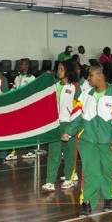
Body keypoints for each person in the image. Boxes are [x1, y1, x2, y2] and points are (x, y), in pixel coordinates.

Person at [62, 63, 112, 216]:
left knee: (106, 171)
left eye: (90, 75)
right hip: (87, 141)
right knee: (90, 172)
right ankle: (86, 202)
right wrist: (69, 132)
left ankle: (108, 197)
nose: (88, 78)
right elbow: (77, 117)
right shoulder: (85, 95)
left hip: (108, 142)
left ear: (100, 76)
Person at [41, 60, 80, 192]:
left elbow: (78, 110)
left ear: (68, 71)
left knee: (69, 153)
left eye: (61, 69)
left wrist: (71, 129)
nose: (58, 71)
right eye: (58, 68)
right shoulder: (54, 86)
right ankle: (50, 181)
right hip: (55, 124)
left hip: (69, 124)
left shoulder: (75, 87)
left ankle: (69, 178)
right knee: (53, 153)